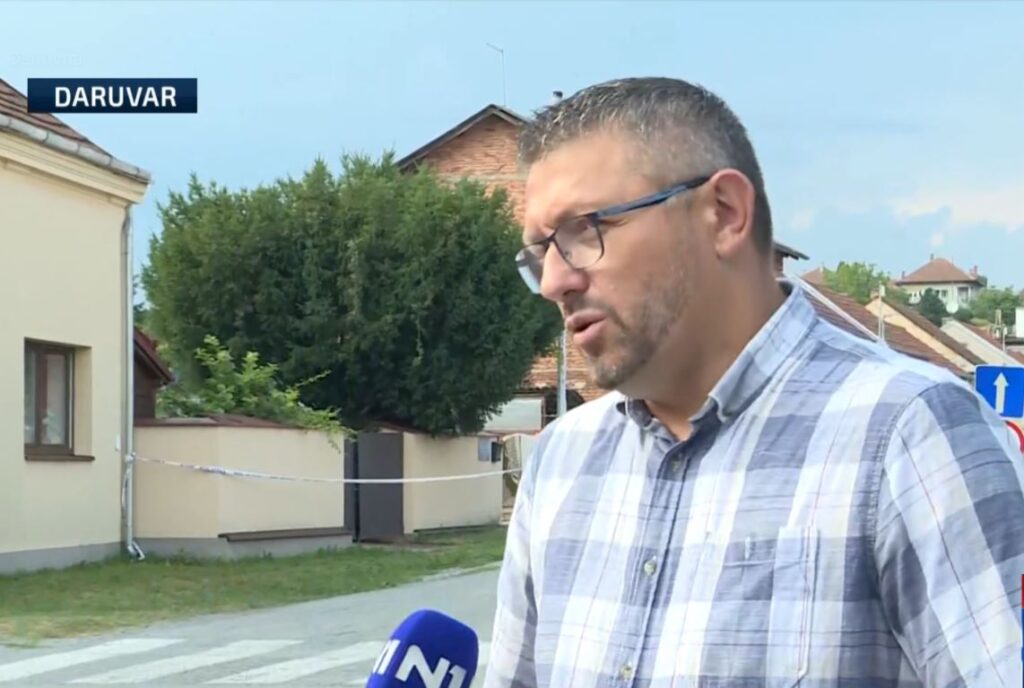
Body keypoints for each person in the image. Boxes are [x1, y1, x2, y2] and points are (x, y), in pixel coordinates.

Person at [484, 77, 1024, 688]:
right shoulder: (562, 461)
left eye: (586, 230)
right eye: (541, 252)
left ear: (724, 214)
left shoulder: (912, 434)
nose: (553, 282)